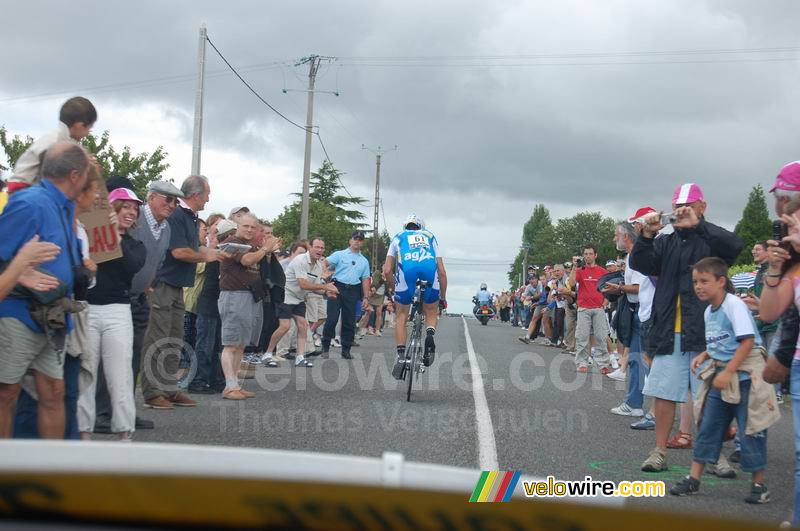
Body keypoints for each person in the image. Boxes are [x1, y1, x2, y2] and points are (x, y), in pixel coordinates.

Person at [632, 183, 743, 473]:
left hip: (708, 330)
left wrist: (700, 226)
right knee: (664, 392)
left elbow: (735, 246)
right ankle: (659, 450)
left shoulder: (711, 239)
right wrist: (647, 233)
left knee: (708, 396)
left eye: (689, 206)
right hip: (670, 328)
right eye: (678, 207)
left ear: (701, 207)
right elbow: (641, 263)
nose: (682, 212)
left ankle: (713, 454)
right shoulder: (665, 241)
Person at [669, 257, 777, 504]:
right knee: (707, 427)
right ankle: (693, 479)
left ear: (721, 281)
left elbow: (747, 340)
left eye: (704, 281)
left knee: (752, 430)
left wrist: (728, 371)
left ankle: (759, 485)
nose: (698, 286)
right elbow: (721, 339)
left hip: (746, 377)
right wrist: (706, 355)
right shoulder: (709, 311)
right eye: (695, 281)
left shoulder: (733, 305)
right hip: (722, 376)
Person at [0, 142, 90, 438]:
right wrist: (21, 272)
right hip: (18, 313)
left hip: (52, 316)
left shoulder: (63, 206)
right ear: (75, 175)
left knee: (54, 391)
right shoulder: (29, 202)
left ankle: (51, 471)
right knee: (6, 392)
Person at [140, 175, 223, 410]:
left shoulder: (187, 215)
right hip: (162, 283)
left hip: (176, 284)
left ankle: (169, 389)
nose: (208, 199)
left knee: (174, 340)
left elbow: (190, 248)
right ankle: (153, 392)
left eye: (173, 200)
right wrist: (204, 255)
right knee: (157, 339)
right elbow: (178, 252)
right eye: (207, 194)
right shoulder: (178, 215)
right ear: (196, 195)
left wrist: (212, 251)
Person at [77, 188, 146, 441]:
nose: (131, 212)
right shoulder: (89, 235)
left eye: (134, 207)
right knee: (86, 374)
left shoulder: (136, 245)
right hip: (88, 308)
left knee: (121, 374)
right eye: (125, 206)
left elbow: (131, 266)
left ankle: (124, 434)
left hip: (118, 311)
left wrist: (114, 235)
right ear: (112, 208)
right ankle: (84, 434)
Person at [383, 214, 448, 379]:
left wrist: (393, 290)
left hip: (407, 274)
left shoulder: (398, 237)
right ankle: (430, 335)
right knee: (431, 311)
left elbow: (387, 270)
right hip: (428, 272)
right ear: (422, 227)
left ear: (406, 226)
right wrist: (443, 298)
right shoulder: (430, 236)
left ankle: (400, 354)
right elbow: (441, 272)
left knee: (402, 315)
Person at [266, 237, 338, 369]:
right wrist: (325, 287)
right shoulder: (300, 260)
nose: (320, 250)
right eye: (317, 247)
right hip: (286, 294)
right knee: (285, 326)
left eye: (322, 248)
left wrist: (327, 293)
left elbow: (315, 287)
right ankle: (267, 354)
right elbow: (303, 284)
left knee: (303, 325)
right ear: (310, 247)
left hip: (299, 298)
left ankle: (300, 358)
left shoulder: (317, 266)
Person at [217, 213, 266, 399]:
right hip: (233, 296)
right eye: (246, 226)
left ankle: (235, 384)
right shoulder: (232, 241)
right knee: (231, 344)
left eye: (253, 227)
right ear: (237, 225)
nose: (250, 230)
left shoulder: (252, 245)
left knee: (241, 344)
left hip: (248, 296)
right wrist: (265, 250)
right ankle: (229, 387)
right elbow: (246, 261)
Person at [8, 97, 97, 193]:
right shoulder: (54, 141)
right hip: (23, 188)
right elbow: (52, 169)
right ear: (79, 125)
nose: (87, 133)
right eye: (89, 128)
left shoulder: (62, 139)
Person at [605, 221, 648, 416]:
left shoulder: (637, 255)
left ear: (626, 236)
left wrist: (619, 288)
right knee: (636, 358)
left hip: (642, 310)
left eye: (616, 235)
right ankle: (634, 403)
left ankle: (635, 404)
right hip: (638, 309)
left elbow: (640, 288)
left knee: (639, 359)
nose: (614, 239)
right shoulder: (634, 255)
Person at [188, 216, 233, 395]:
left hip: (219, 304)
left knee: (217, 346)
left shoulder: (223, 254)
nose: (232, 239)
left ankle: (216, 380)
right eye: (230, 235)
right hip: (208, 303)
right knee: (205, 345)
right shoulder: (214, 253)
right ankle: (198, 380)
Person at [321, 231, 371, 360]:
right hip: (337, 287)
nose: (357, 242)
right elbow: (324, 262)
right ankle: (325, 346)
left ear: (362, 243)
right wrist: (324, 275)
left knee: (349, 321)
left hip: (353, 289)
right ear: (350, 240)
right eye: (355, 239)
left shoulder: (364, 261)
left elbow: (365, 279)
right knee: (332, 318)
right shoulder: (340, 254)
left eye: (360, 240)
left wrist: (366, 297)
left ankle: (346, 349)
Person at [570, 245, 612, 374]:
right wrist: (574, 267)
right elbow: (571, 284)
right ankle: (582, 363)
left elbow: (609, 288)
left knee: (601, 337)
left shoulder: (602, 272)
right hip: (583, 308)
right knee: (582, 337)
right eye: (586, 254)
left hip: (598, 308)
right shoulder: (580, 270)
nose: (588, 256)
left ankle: (603, 364)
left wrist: (606, 301)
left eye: (590, 254)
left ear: (595, 255)